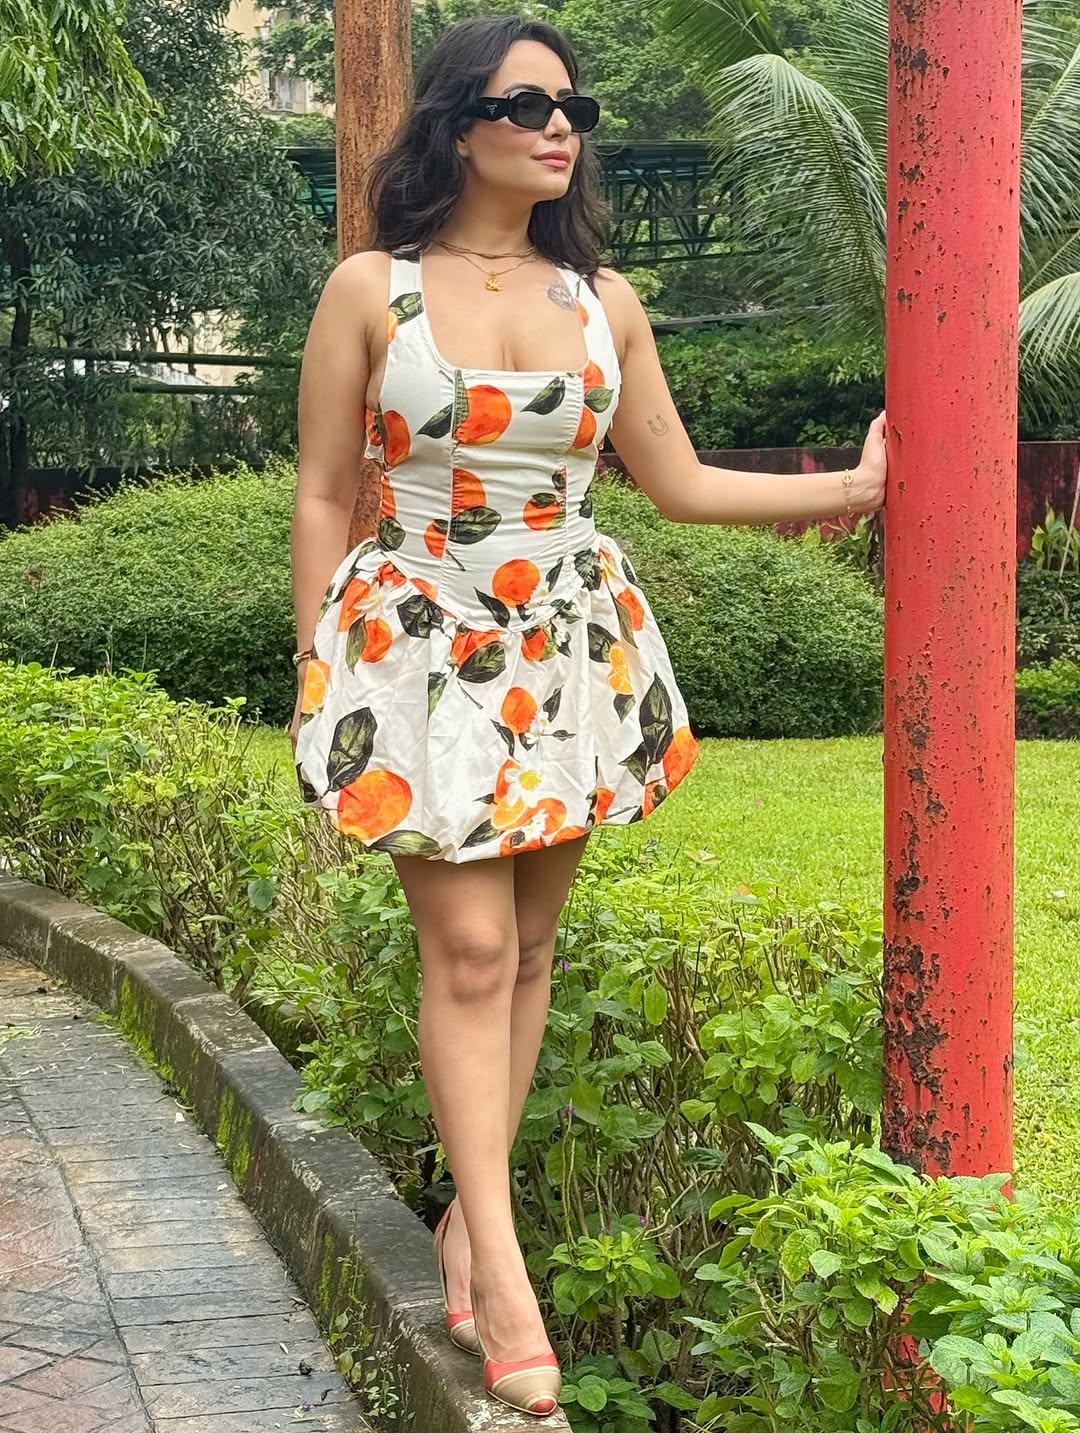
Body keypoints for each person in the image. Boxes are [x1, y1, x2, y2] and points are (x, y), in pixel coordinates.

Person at [288, 14, 888, 1418]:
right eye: (528, 103)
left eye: (574, 108)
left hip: (564, 646)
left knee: (532, 947)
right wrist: (321, 672)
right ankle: (503, 1274)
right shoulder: (372, 290)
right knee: (472, 946)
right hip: (419, 646)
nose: (560, 127)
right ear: (457, 123)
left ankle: (469, 1218)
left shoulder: (601, 301)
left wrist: (853, 490)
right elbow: (320, 492)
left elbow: (677, 479)